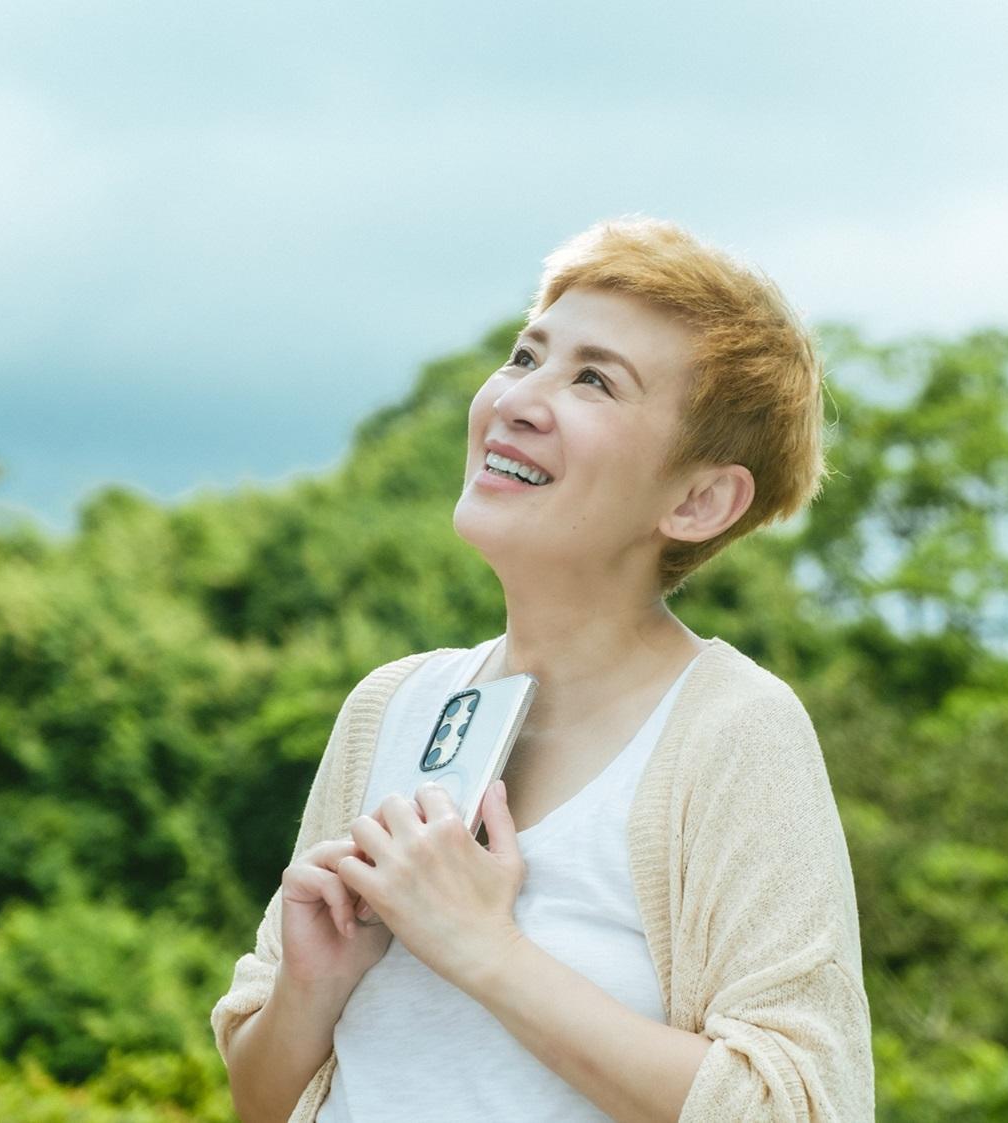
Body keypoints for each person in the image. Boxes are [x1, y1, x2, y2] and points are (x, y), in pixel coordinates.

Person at [209, 216, 872, 1122]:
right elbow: (260, 1098)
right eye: (526, 357)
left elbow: (800, 1106)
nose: (519, 399)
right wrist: (312, 990)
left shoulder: (732, 730)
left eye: (595, 380)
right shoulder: (392, 706)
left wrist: (485, 950)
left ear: (700, 498)